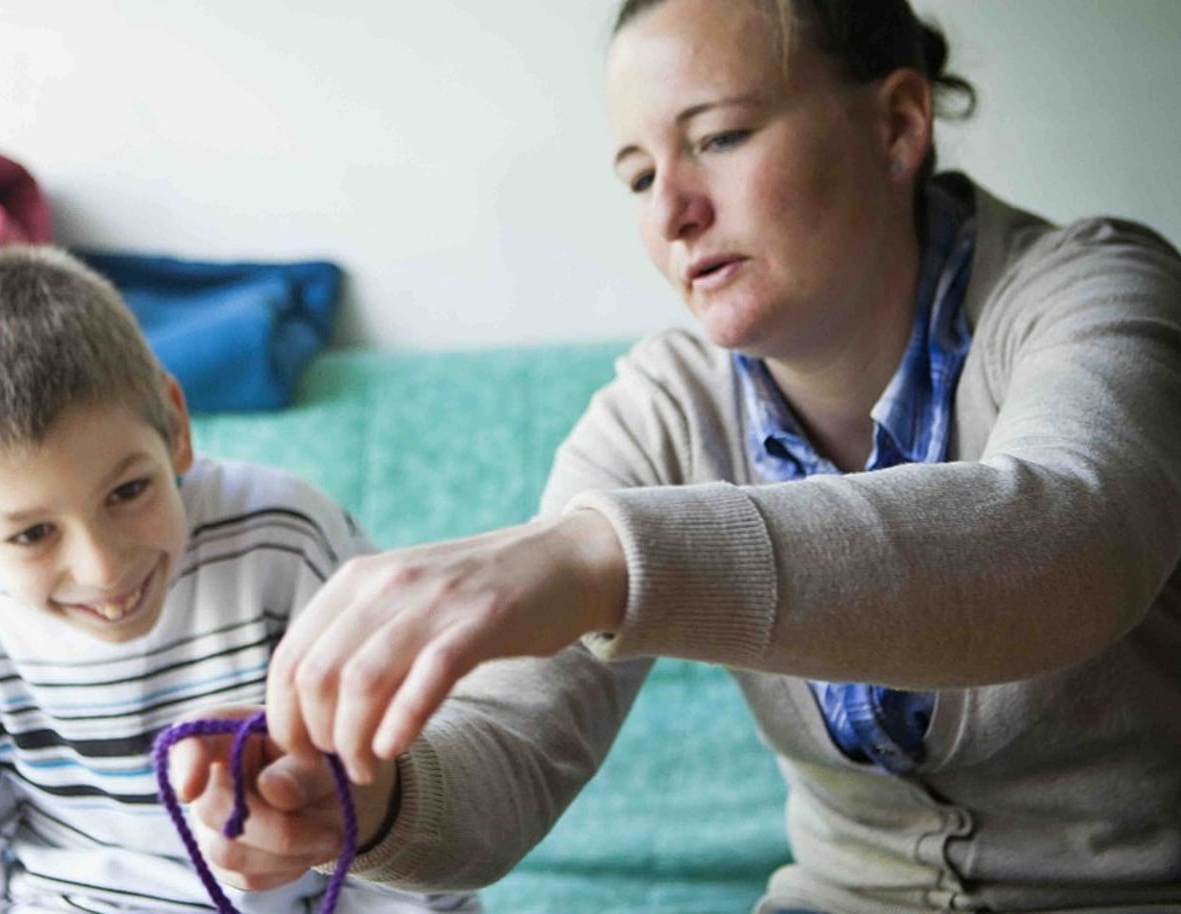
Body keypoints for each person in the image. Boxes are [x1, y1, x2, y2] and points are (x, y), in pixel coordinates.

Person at [170, 0, 1181, 911]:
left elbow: (1073, 538)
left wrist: (600, 562)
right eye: (638, 174)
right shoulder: (662, 409)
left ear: (896, 123)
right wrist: (371, 792)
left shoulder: (1095, 292)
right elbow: (512, 751)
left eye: (720, 138)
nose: (670, 212)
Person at [0, 246, 481, 914]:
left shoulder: (287, 540)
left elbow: (404, 813)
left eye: (128, 491)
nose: (104, 567)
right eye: (32, 534)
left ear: (176, 425)